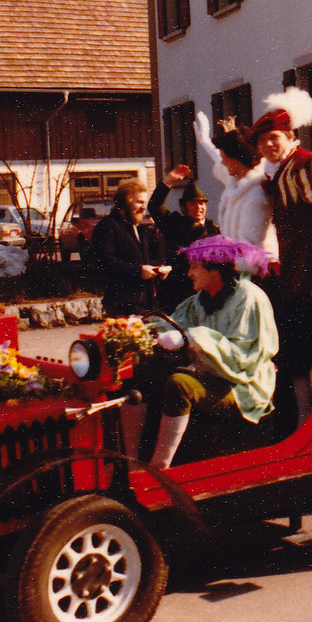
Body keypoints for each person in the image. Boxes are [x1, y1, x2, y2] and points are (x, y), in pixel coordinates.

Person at [123, 235, 279, 469]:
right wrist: (141, 328)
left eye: (195, 267)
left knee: (180, 385)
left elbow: (243, 358)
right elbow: (176, 324)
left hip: (243, 386)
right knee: (140, 372)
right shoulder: (201, 299)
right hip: (211, 375)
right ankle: (131, 462)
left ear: (214, 270)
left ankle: (160, 467)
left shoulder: (249, 298)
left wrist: (193, 338)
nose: (189, 274)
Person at [249, 87, 312, 425]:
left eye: (273, 137)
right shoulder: (279, 173)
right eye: (262, 141)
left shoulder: (309, 164)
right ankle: (306, 421)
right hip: (293, 275)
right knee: (295, 353)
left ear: (290, 136)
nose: (267, 145)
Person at [193, 113, 277, 258]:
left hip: (257, 266)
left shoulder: (255, 193)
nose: (222, 162)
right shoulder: (238, 185)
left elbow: (251, 248)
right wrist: (205, 142)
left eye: (225, 158)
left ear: (236, 159)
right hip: (239, 264)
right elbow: (219, 159)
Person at [90, 179, 169, 317]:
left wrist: (158, 270)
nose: (144, 207)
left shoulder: (136, 227)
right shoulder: (107, 226)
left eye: (144, 203)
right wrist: (138, 271)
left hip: (144, 305)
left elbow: (142, 261)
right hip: (121, 306)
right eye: (139, 202)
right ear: (124, 203)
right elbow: (104, 262)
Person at [149, 166, 221, 310]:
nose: (198, 208)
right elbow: (154, 206)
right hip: (177, 291)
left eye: (201, 204)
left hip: (205, 291)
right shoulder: (174, 223)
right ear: (183, 207)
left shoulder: (214, 231)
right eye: (193, 204)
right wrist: (168, 181)